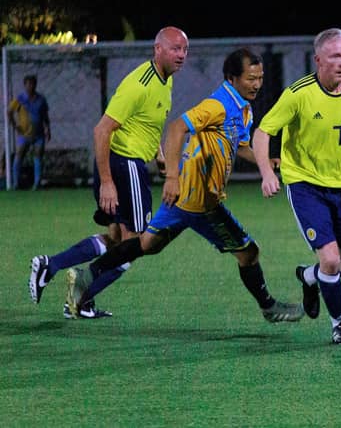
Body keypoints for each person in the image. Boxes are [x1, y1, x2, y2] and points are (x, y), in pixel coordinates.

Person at [34, 48, 304, 323]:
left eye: (260, 77)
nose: (257, 84)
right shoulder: (218, 105)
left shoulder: (243, 109)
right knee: (249, 253)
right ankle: (269, 307)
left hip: (183, 197)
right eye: (251, 78)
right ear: (232, 78)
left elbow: (241, 145)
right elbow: (176, 128)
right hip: (200, 201)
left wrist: (265, 161)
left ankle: (86, 276)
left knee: (147, 244)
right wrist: (172, 177)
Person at [29, 26, 189, 318]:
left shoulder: (165, 80)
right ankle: (81, 292)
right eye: (175, 49)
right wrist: (107, 182)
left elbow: (145, 124)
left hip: (125, 164)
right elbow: (102, 130)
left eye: (184, 49)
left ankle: (50, 267)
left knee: (116, 238)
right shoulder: (139, 84)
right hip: (124, 165)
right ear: (158, 49)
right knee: (138, 243)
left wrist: (160, 155)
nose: (181, 55)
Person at [252, 28, 341, 345]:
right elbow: (263, 133)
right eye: (335, 56)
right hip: (306, 185)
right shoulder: (298, 94)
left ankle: (309, 276)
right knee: (332, 260)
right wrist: (268, 171)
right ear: (318, 59)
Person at [8, 75, 51, 190]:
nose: (30, 86)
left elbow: (45, 116)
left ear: (35, 85)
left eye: (32, 84)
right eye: (28, 84)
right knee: (19, 155)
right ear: (25, 85)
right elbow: (9, 111)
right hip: (24, 134)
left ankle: (37, 183)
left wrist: (48, 129)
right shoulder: (20, 99)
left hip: (39, 134)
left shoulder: (41, 99)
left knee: (38, 156)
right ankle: (15, 183)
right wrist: (15, 126)